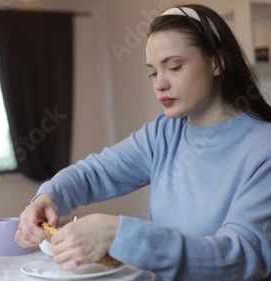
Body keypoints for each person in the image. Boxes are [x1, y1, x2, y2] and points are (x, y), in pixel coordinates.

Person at [14, 4, 271, 281]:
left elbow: (242, 256)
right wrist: (47, 197)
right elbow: (95, 173)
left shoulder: (263, 147)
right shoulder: (164, 133)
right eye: (152, 72)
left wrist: (118, 233)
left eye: (174, 67)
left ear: (217, 62)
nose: (159, 84)